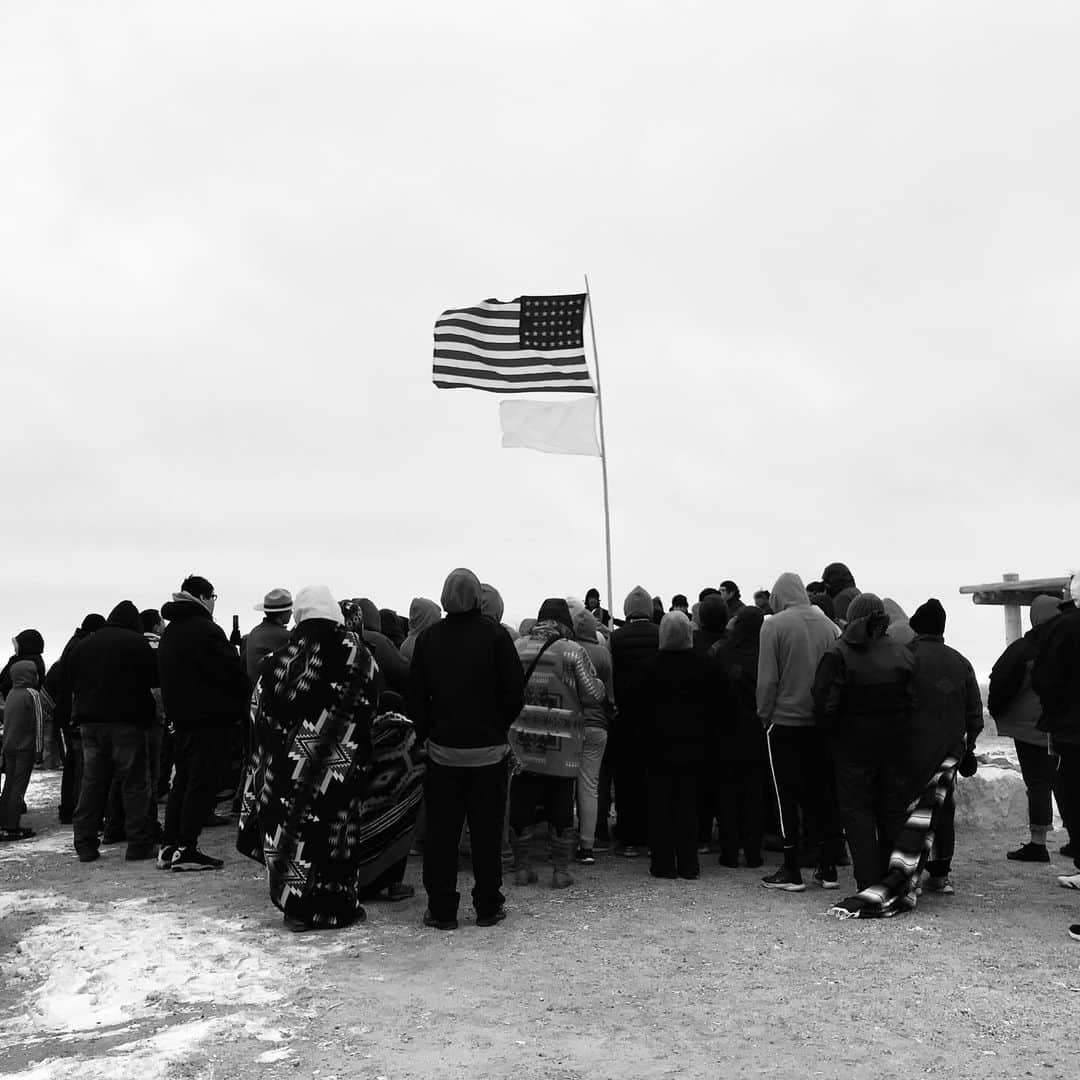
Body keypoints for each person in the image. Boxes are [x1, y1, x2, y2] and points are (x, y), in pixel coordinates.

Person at [237, 585, 383, 931]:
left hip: (288, 773)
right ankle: (340, 907)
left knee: (294, 838)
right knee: (336, 837)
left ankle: (297, 911)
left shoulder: (279, 661)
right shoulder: (359, 656)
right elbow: (370, 706)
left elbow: (258, 717)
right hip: (340, 768)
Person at [408, 568, 525, 930]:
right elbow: (514, 692)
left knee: (442, 835)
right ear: (477, 597)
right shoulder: (496, 636)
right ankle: (488, 906)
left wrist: (427, 733)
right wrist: (498, 727)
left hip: (443, 753)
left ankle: (442, 910)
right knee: (486, 834)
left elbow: (415, 698)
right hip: (488, 753)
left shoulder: (429, 638)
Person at [812, 592, 916, 893]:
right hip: (893, 745)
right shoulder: (902, 653)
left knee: (857, 813)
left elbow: (823, 704)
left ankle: (868, 881)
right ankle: (894, 880)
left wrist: (834, 734)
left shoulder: (839, 652)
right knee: (892, 812)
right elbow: (913, 702)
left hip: (852, 745)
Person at [158, 575, 250, 871]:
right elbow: (231, 674)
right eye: (212, 597)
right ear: (202, 597)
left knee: (182, 782)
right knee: (202, 783)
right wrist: (243, 703)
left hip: (181, 720)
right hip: (210, 720)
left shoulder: (171, 632)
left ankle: (169, 846)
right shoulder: (207, 630)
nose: (213, 602)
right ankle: (187, 848)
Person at [511, 599, 605, 889]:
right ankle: (560, 871)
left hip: (524, 742)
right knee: (561, 806)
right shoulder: (572, 650)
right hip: (562, 744)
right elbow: (593, 694)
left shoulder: (518, 648)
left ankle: (523, 869)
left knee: (522, 805)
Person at [757, 572, 841, 892]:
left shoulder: (773, 626)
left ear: (779, 598)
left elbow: (767, 681)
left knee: (785, 797)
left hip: (785, 722)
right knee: (820, 795)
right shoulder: (829, 627)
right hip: (820, 725)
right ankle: (827, 866)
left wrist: (764, 716)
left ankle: (791, 868)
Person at [69, 601, 159, 862]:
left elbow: (70, 679)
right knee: (135, 784)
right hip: (126, 723)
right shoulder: (136, 642)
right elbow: (153, 679)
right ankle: (139, 843)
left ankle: (85, 843)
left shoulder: (85, 644)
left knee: (92, 784)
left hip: (89, 723)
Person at [905, 598, 983, 894]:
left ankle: (911, 871)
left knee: (912, 811)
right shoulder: (961, 661)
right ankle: (939, 874)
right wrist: (970, 747)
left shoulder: (907, 655)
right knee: (943, 812)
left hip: (912, 748)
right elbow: (974, 713)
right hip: (950, 749)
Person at [989, 594, 1067, 862]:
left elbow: (1000, 680)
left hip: (1031, 727)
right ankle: (1073, 839)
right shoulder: (1069, 641)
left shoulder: (1024, 648)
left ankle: (1038, 843)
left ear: (1034, 617)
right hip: (1065, 725)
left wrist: (997, 711)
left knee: (1038, 783)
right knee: (1064, 781)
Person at [640, 612, 711, 879]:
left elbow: (634, 708)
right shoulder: (704, 666)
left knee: (659, 805)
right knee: (687, 804)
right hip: (693, 746)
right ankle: (689, 864)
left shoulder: (649, 667)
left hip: (657, 747)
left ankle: (662, 864)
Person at [1031, 575, 1080, 921]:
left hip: (1074, 730)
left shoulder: (1065, 629)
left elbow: (1045, 680)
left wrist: (1057, 712)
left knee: (1073, 796)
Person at [710, 607, 767, 868]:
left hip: (725, 728)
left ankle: (730, 851)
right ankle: (754, 852)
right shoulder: (764, 653)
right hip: (756, 729)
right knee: (754, 793)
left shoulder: (722, 651)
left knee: (727, 792)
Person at [610, 586, 661, 857]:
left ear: (627, 610)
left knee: (627, 780)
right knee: (653, 779)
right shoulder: (660, 635)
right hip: (655, 717)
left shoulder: (615, 639)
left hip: (625, 718)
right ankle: (654, 836)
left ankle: (629, 838)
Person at [49, 614, 106, 823]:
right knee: (82, 767)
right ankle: (76, 810)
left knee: (75, 765)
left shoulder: (72, 645)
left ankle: (69, 809)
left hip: (69, 715)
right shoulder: (81, 648)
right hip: (76, 716)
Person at [571, 609, 613, 864]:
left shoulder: (567, 649)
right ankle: (587, 845)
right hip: (598, 726)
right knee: (590, 786)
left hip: (570, 725)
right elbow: (609, 694)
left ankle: (563, 840)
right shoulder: (603, 653)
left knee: (564, 785)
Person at [0, 660, 44, 841]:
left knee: (9, 785)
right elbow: (39, 723)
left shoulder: (11, 694)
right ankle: (12, 827)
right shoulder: (32, 694)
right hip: (24, 748)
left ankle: (4, 823)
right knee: (19, 787)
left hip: (9, 747)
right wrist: (39, 751)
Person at [243, 588, 293, 683]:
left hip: (254, 693)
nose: (291, 612)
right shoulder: (285, 637)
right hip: (269, 694)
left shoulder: (254, 632)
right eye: (289, 610)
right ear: (282, 613)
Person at [400, 597, 442, 664]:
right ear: (427, 619)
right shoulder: (421, 643)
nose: (439, 622)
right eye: (436, 618)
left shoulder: (409, 642)